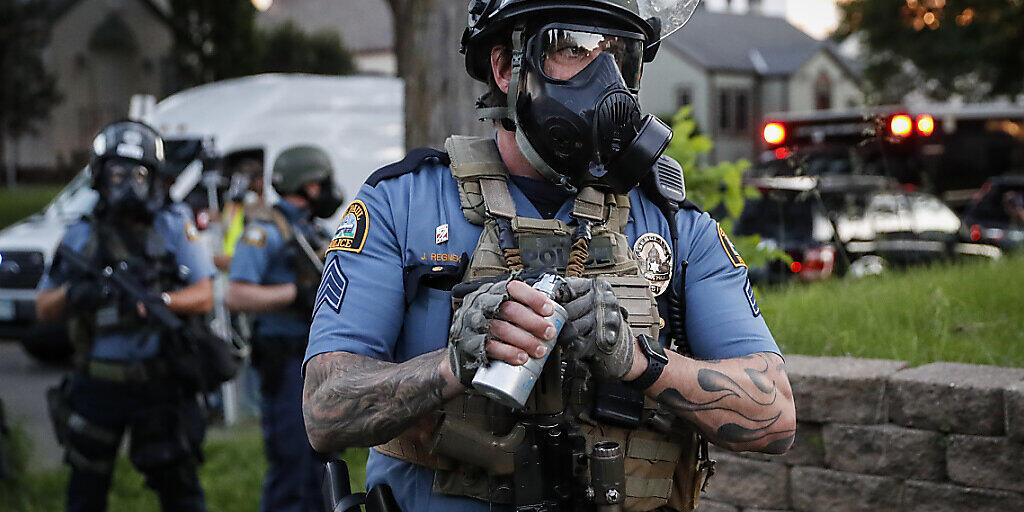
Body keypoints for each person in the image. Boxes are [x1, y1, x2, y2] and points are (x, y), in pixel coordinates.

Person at [302, 1, 796, 511]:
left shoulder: (676, 226)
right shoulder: (403, 204)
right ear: (504, 68)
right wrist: (452, 365)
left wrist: (640, 361)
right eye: (573, 48)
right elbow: (323, 410)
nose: (605, 77)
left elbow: (776, 417)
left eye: (621, 55)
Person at [36, 120, 217, 512]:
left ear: (153, 179)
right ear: (101, 178)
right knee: (85, 488)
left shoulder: (172, 223)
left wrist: (163, 300)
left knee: (180, 490)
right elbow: (44, 307)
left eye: (138, 175)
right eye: (118, 174)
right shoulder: (80, 236)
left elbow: (205, 295)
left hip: (161, 383)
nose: (127, 185)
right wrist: (77, 293)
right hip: (98, 382)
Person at [225, 146, 342, 512]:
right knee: (292, 465)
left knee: (324, 465)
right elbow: (236, 294)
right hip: (285, 361)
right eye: (323, 183)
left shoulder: (314, 230)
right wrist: (295, 293)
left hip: (318, 361)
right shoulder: (265, 232)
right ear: (307, 185)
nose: (329, 190)